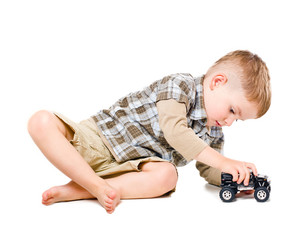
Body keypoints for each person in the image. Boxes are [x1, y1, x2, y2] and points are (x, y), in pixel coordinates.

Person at [27, 50, 271, 214]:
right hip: (100, 141)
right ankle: (93, 185)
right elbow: (176, 132)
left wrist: (236, 179)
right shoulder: (180, 86)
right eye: (232, 110)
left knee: (168, 176)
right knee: (41, 121)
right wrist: (224, 160)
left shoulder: (213, 132)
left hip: (131, 169)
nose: (229, 122)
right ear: (217, 82)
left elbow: (209, 169)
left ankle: (85, 188)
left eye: (237, 120)